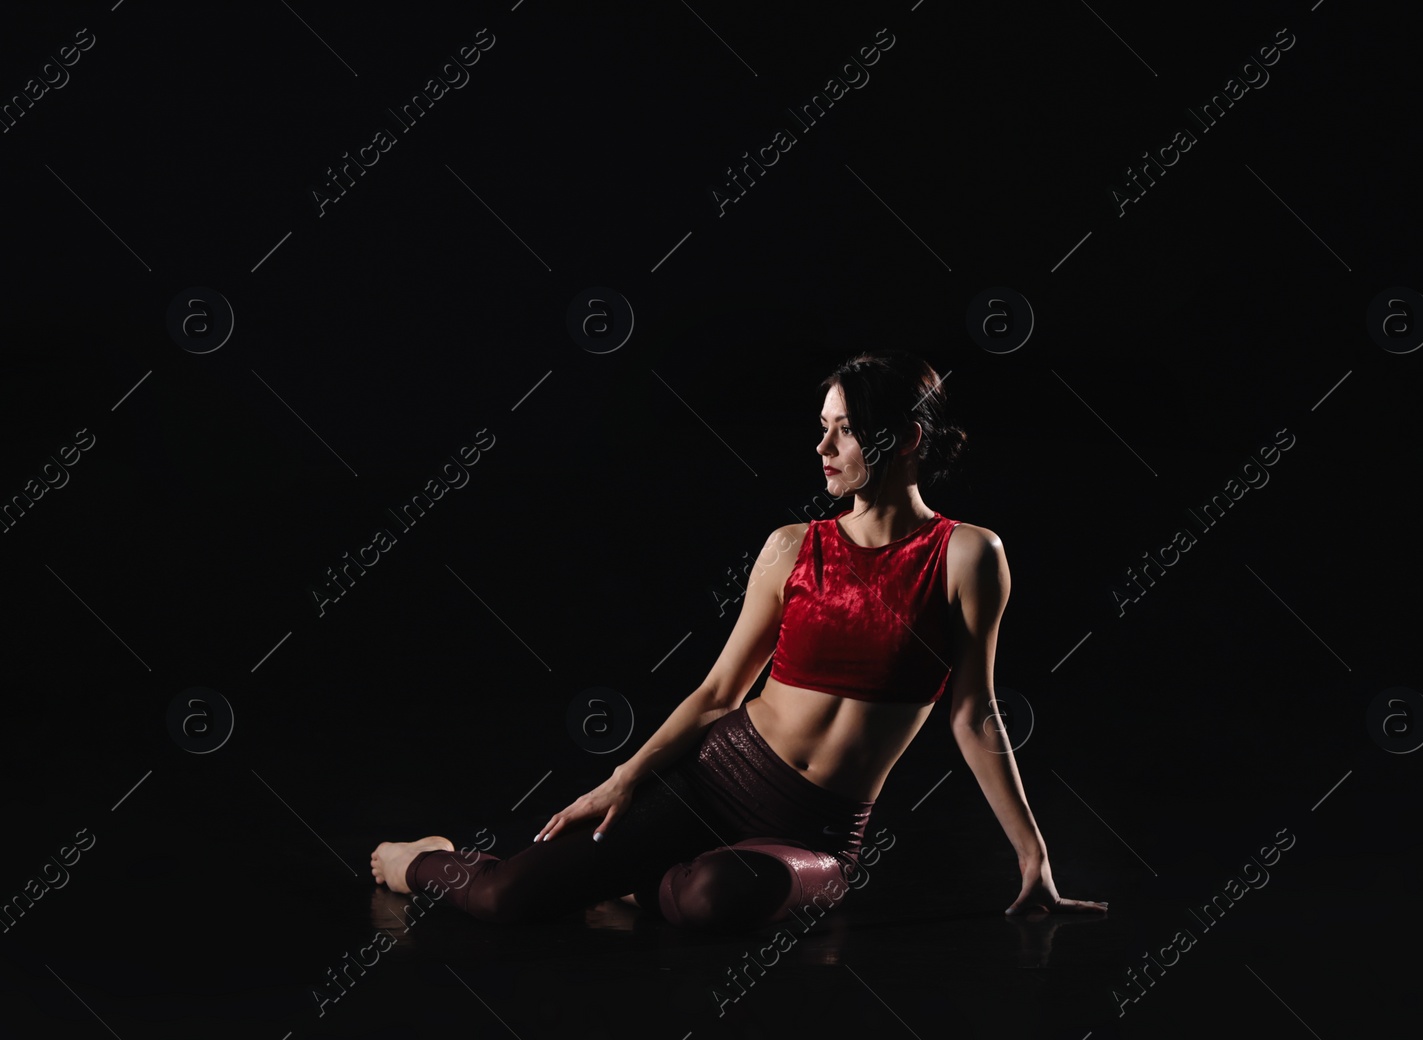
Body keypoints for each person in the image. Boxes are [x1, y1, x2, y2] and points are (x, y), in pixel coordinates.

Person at [370, 351, 1109, 931]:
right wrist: (624, 778)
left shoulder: (968, 556)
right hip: (712, 780)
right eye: (822, 425)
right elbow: (719, 692)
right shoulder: (793, 547)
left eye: (843, 428)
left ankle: (645, 881)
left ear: (907, 437)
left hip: (815, 831)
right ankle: (421, 860)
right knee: (506, 899)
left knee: (715, 899)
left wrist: (1032, 852)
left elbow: (973, 713)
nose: (821, 444)